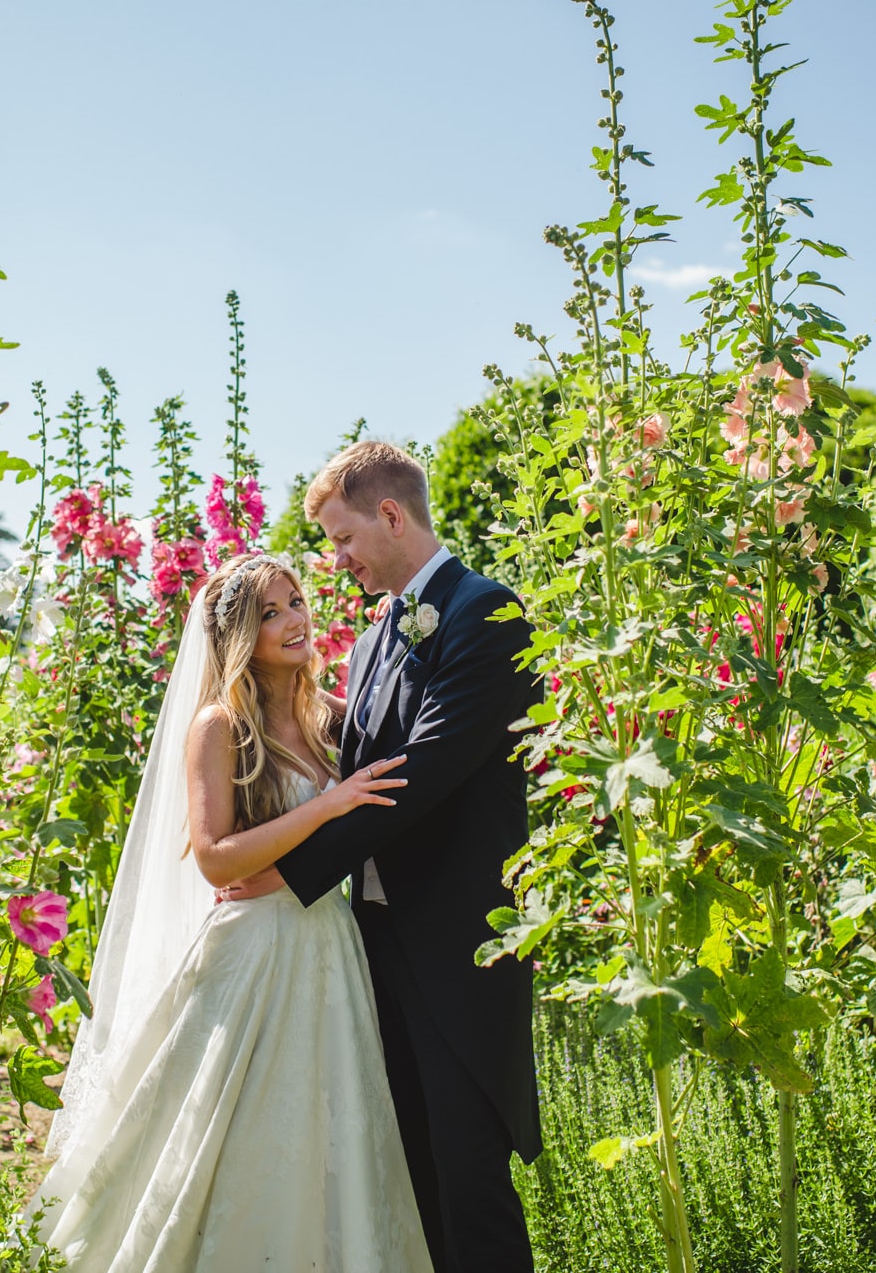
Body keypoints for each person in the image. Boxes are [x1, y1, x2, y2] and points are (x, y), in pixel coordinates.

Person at [31, 553, 435, 1271]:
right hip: (252, 954)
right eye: (271, 612)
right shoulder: (218, 727)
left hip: (328, 945)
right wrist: (332, 805)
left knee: (332, 1122)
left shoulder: (324, 719)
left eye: (298, 602)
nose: (295, 620)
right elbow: (217, 857)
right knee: (234, 1129)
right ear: (241, 635)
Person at [220, 440, 541, 1273]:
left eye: (341, 537)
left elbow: (417, 777)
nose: (339, 560)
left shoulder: (487, 615)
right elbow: (343, 770)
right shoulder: (368, 645)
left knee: (472, 1181)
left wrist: (283, 875)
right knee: (410, 1177)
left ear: (391, 515)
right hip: (370, 951)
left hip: (459, 947)